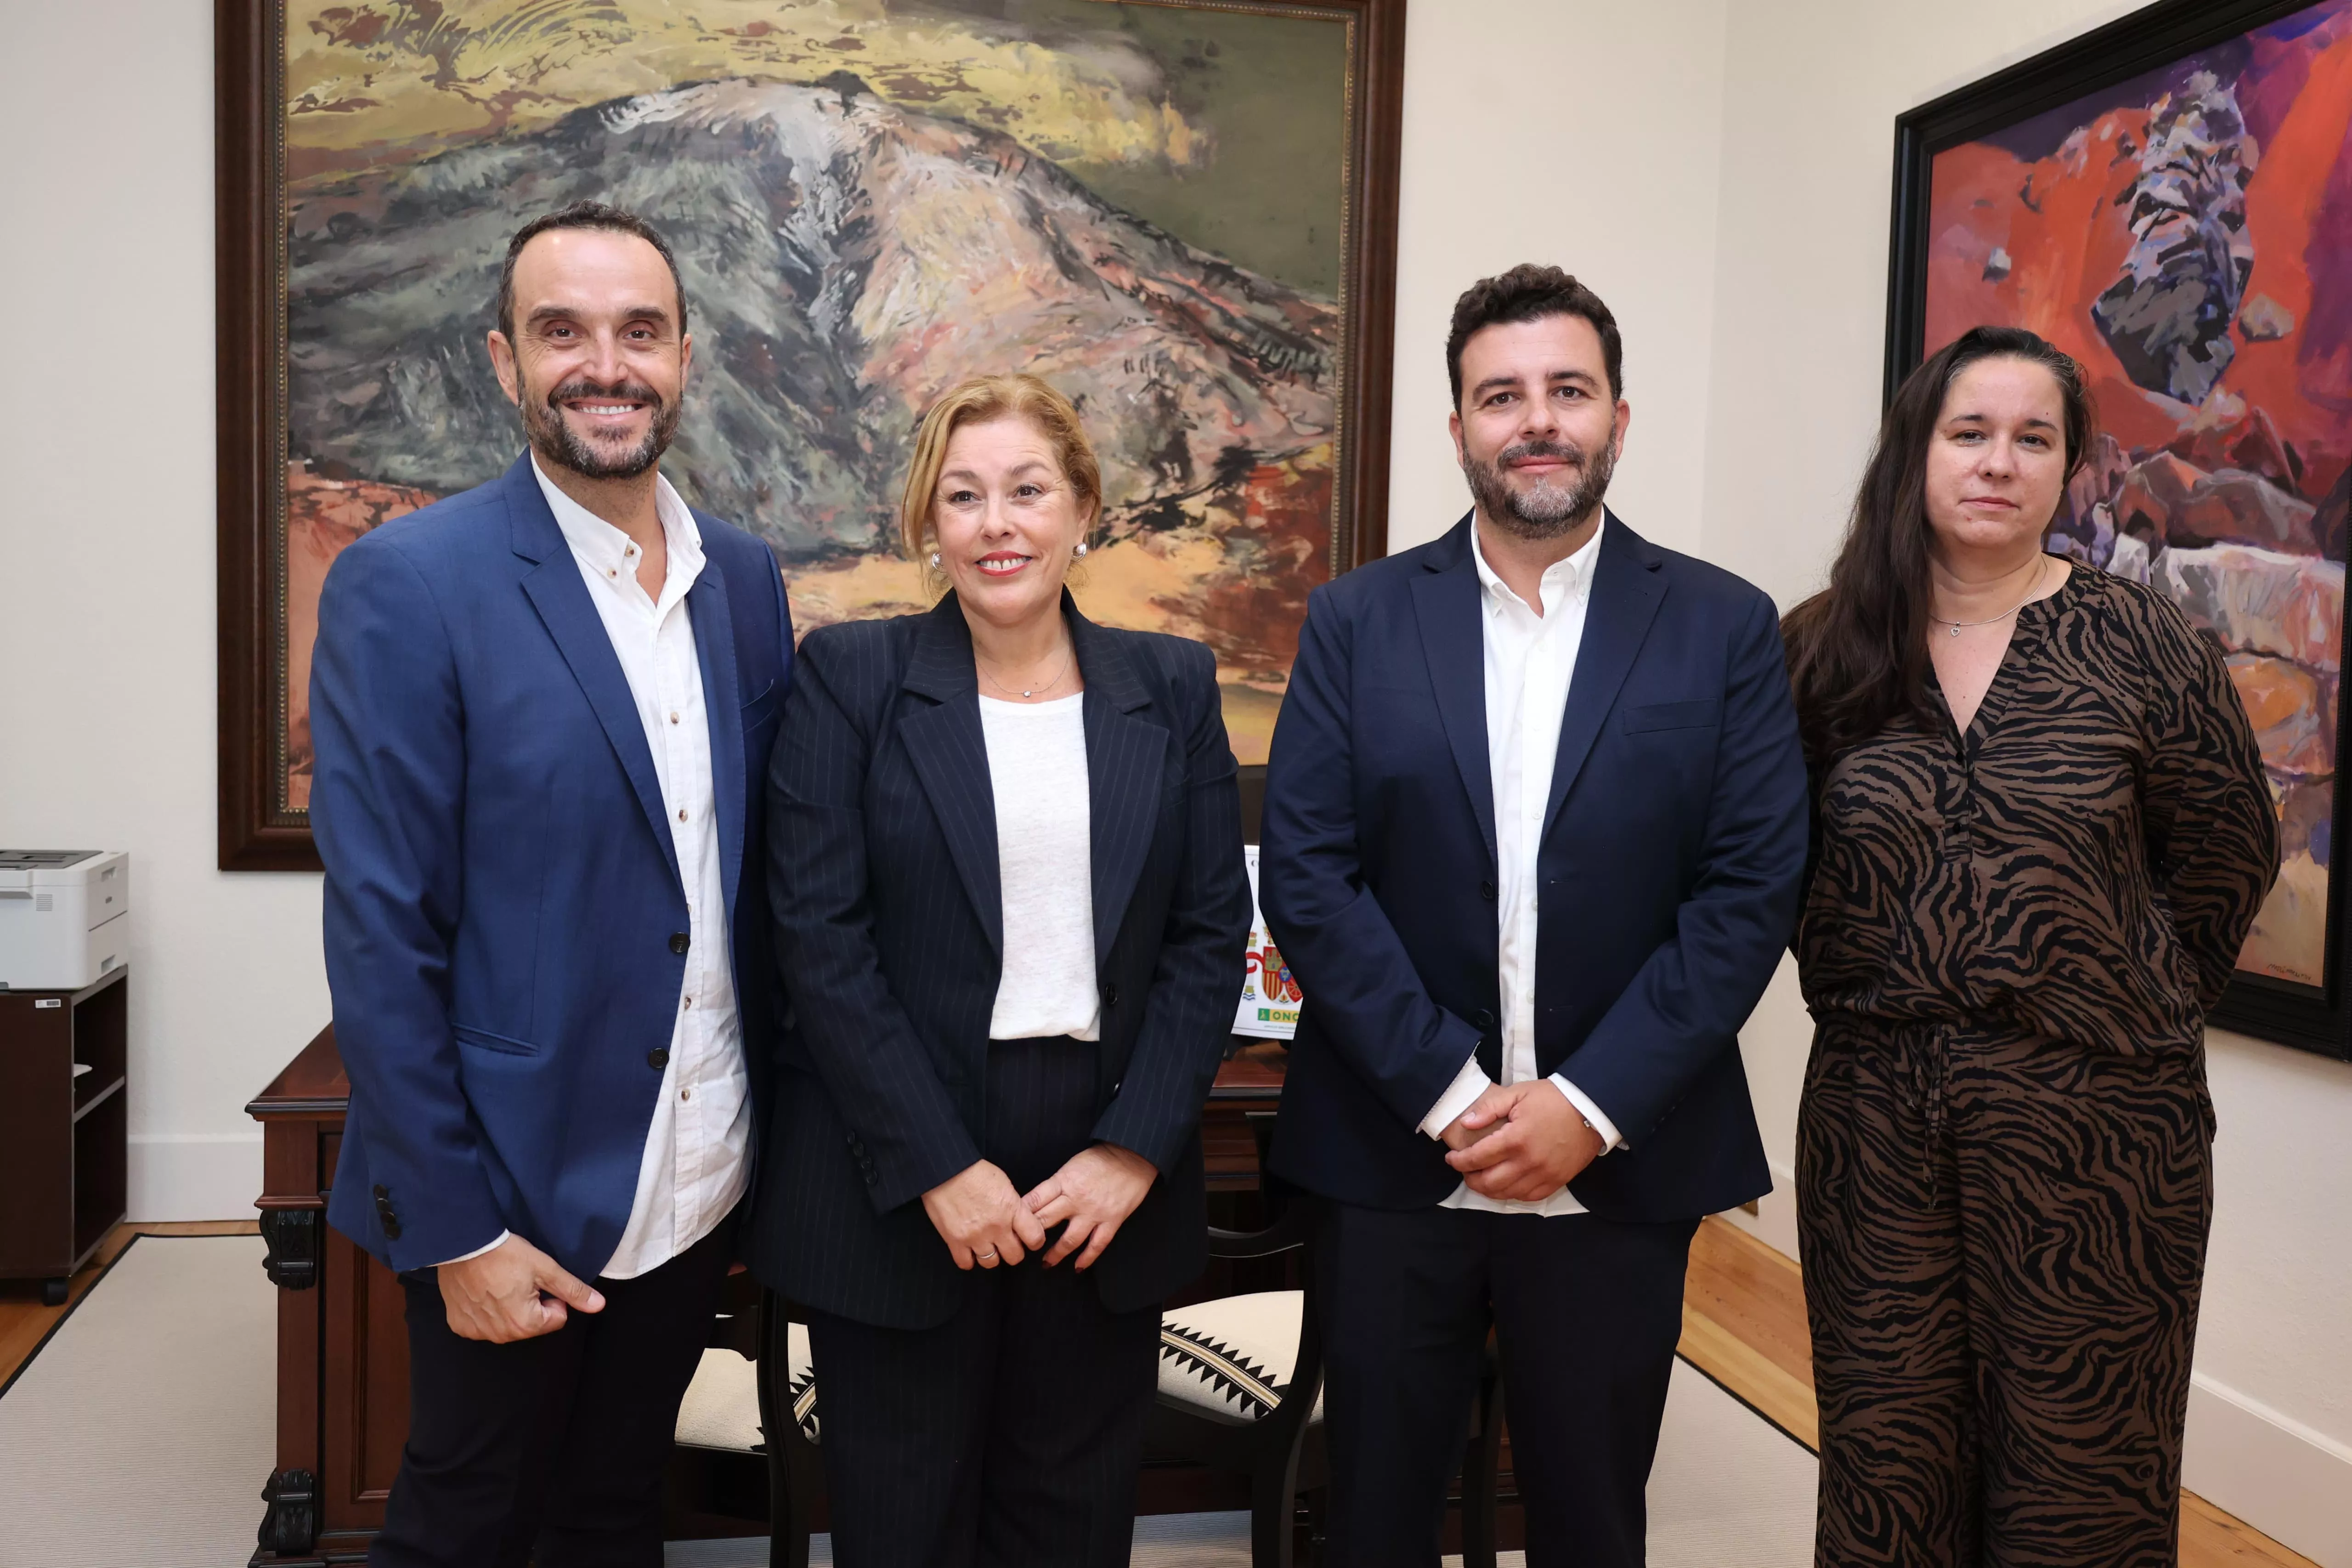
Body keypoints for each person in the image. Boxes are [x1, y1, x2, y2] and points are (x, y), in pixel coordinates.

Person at [1258, 264, 1811, 1567]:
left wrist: (1587, 1105)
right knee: (1374, 1521)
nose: (1538, 419)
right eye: (1502, 395)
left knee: (1591, 1521)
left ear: (1619, 415)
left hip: (1620, 1164)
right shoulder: (1355, 620)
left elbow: (1747, 891)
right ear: (1458, 428)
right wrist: (1452, 1098)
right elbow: (1311, 875)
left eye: (1569, 389)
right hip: (1395, 1158)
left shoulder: (1724, 626)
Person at [308, 200, 795, 1568]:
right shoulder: (411, 583)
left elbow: (744, 878)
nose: (606, 366)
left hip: (698, 1167)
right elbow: (382, 933)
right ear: (504, 360)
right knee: (467, 1521)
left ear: (686, 355)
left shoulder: (746, 580)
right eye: (562, 332)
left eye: (640, 331)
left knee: (617, 1511)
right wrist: (455, 1228)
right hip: (510, 1185)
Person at [1782, 325, 2278, 1567]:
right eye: (1970, 433)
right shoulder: (1821, 648)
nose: (1999, 462)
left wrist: (2110, 994)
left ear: (2071, 469)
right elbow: (1764, 865)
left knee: (2084, 1481)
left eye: (2034, 439)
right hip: (1876, 1123)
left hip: (2103, 1129)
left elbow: (2227, 858)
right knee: (1889, 1469)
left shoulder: (2146, 643)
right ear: (1916, 450)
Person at [748, 373, 1251, 1568]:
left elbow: (1205, 936)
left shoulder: (1171, 687)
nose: (997, 524)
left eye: (1028, 490)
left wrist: (1134, 1151)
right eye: (963, 496)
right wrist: (937, 1163)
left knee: (1071, 1523)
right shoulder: (853, 677)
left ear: (1084, 509)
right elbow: (818, 938)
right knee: (903, 1526)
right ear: (930, 522)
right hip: (899, 1162)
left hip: (1101, 1170)